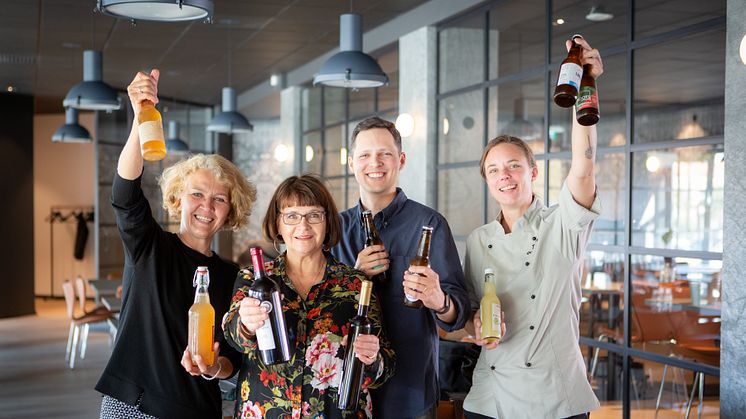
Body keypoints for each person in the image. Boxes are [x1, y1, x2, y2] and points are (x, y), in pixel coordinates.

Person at [95, 69, 257, 419]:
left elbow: (236, 361)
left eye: (219, 199)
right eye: (196, 194)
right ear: (177, 198)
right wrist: (141, 118)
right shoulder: (149, 247)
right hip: (133, 404)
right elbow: (124, 195)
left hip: (197, 409)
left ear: (230, 211)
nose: (206, 206)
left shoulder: (235, 277)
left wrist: (214, 367)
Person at [462, 35, 604, 419]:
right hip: (490, 395)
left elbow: (584, 165)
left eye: (513, 166)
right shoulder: (478, 241)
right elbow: (470, 314)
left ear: (533, 172)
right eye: (493, 170)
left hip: (554, 396)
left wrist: (586, 90)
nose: (503, 176)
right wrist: (473, 325)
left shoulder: (563, 224)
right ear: (487, 181)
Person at [222, 174, 395, 418]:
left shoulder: (355, 285)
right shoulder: (254, 279)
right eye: (291, 216)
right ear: (278, 224)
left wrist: (372, 358)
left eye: (314, 215)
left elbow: (386, 366)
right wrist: (246, 325)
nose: (303, 226)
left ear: (328, 224)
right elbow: (233, 336)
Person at [331, 117, 470, 418]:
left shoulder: (430, 224)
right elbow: (321, 305)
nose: (375, 163)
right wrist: (354, 276)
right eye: (365, 155)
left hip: (410, 390)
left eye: (385, 154)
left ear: (401, 160)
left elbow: (457, 315)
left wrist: (437, 299)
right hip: (344, 385)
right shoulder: (334, 229)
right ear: (352, 163)